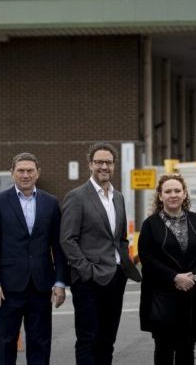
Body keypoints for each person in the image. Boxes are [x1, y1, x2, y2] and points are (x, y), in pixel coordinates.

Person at [60, 142, 142, 365]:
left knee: (108, 340)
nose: (103, 166)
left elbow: (121, 238)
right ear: (90, 165)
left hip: (116, 277)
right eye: (99, 162)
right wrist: (87, 271)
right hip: (89, 280)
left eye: (108, 162)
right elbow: (67, 239)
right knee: (88, 339)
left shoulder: (118, 197)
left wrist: (123, 265)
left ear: (114, 166)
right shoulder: (76, 197)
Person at [0, 152, 68, 365]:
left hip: (41, 286)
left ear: (38, 173)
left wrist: (59, 282)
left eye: (30, 170)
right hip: (7, 288)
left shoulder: (50, 203)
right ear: (12, 173)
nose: (26, 175)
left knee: (40, 343)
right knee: (5, 343)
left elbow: (58, 246)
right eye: (21, 170)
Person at [139, 173, 196, 365]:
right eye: (168, 191)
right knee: (163, 349)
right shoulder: (150, 225)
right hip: (162, 297)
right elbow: (147, 259)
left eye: (177, 190)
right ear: (160, 196)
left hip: (192, 296)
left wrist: (194, 277)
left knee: (187, 349)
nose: (173, 195)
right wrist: (175, 277)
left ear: (184, 194)